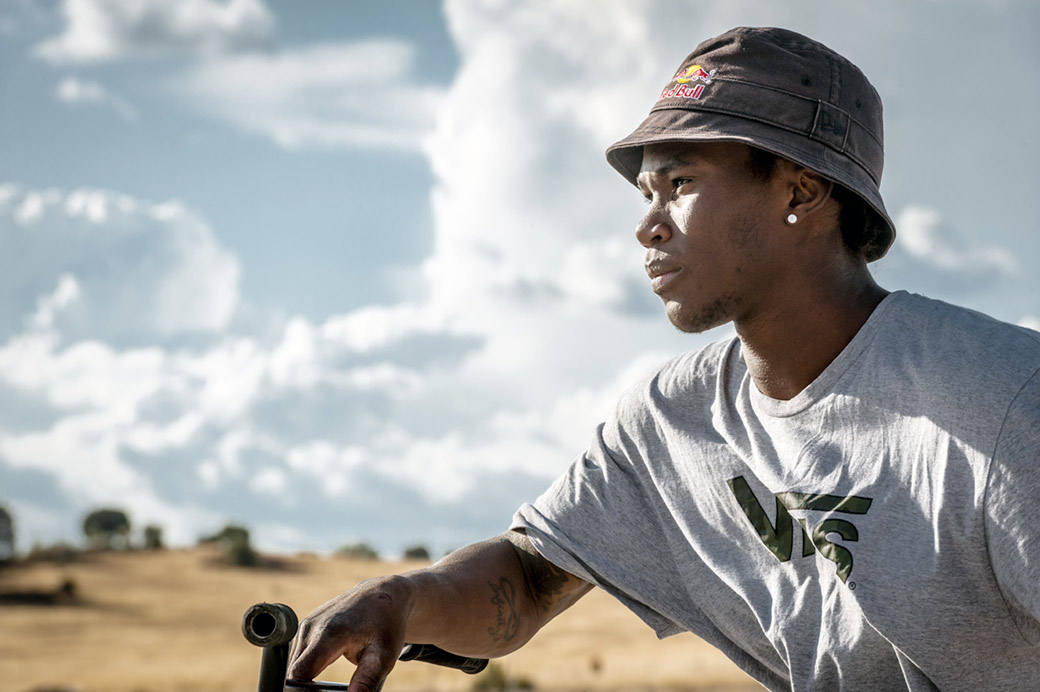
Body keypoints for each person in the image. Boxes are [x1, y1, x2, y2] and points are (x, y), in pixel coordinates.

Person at [288, 27, 1040, 692]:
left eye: (680, 184)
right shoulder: (671, 422)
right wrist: (404, 599)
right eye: (646, 192)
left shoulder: (1007, 401)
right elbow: (530, 577)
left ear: (802, 191)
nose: (647, 226)